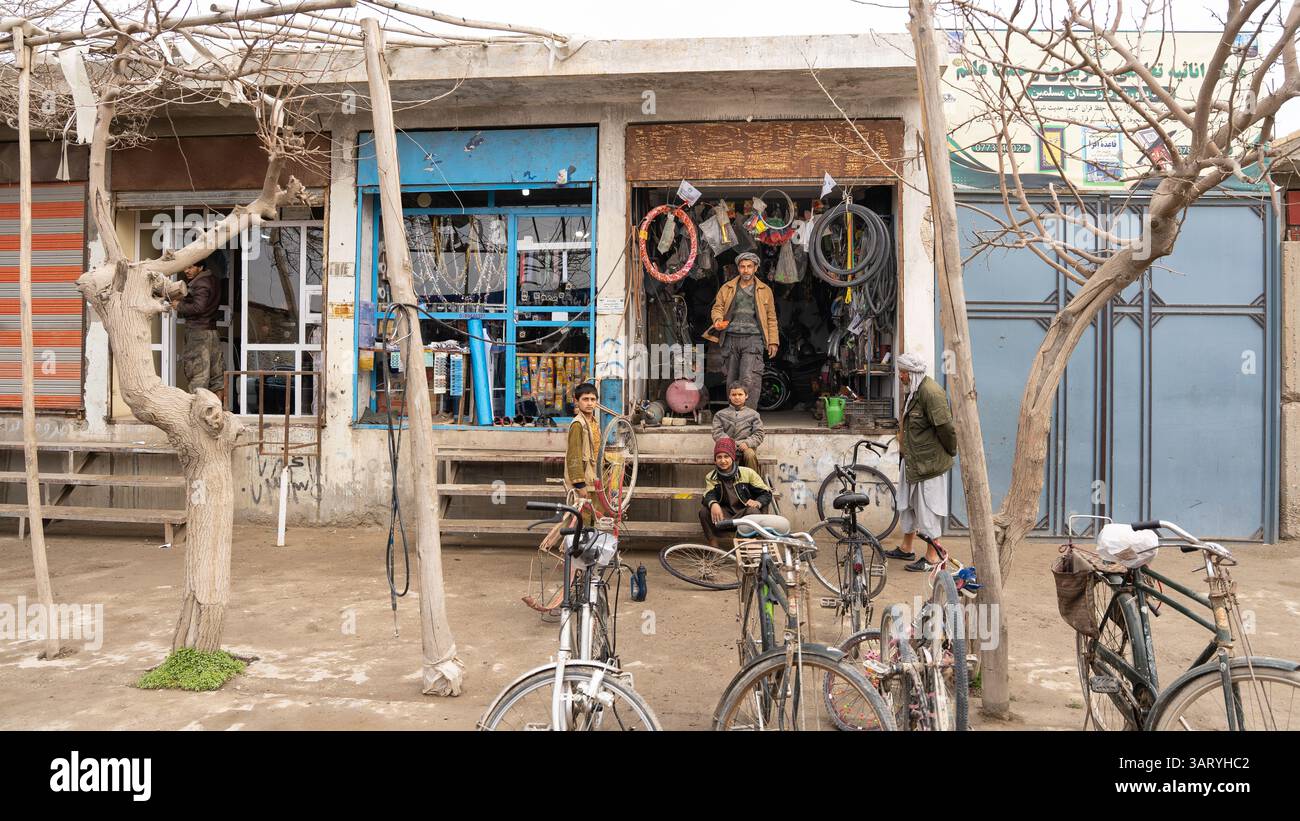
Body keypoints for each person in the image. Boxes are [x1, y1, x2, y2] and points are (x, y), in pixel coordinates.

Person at [883, 352, 958, 572]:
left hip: (929, 464)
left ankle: (933, 556)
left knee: (927, 510)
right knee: (908, 505)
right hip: (913, 462)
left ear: (910, 373)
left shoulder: (931, 393)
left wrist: (949, 451)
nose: (900, 377)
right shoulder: (914, 391)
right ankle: (907, 547)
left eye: (902, 373)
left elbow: (945, 428)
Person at [710, 251, 778, 410]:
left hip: (753, 339)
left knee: (749, 378)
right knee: (731, 379)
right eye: (742, 267)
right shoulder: (727, 288)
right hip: (731, 339)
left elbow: (771, 317)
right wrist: (718, 320)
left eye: (749, 267)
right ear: (738, 268)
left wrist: (773, 341)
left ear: (755, 268)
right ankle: (733, 415)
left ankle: (749, 416)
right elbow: (717, 307)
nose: (745, 270)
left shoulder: (764, 290)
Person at [700, 437, 773, 548]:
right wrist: (713, 504)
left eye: (726, 456)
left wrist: (758, 502)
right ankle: (714, 546)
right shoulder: (711, 476)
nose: (723, 461)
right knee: (704, 512)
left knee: (753, 511)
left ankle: (751, 547)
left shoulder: (748, 473)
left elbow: (766, 493)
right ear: (715, 460)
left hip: (744, 513)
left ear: (733, 457)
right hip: (725, 514)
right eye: (719, 457)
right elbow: (708, 494)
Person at [172, 254, 225, 405]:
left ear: (200, 267)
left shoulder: (200, 283)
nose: (186, 270)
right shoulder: (213, 280)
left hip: (198, 333)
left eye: (191, 267)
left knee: (198, 374)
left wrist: (179, 306)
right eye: (185, 267)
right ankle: (219, 411)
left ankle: (197, 415)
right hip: (211, 331)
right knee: (217, 376)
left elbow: (198, 307)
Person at [564, 382, 602, 522]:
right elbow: (574, 456)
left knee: (593, 519)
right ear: (576, 401)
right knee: (581, 521)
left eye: (593, 399)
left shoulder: (594, 422)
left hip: (594, 479)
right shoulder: (578, 424)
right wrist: (580, 486)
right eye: (585, 399)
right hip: (583, 482)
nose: (589, 403)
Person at [711, 383, 764, 471]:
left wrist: (747, 443)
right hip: (726, 446)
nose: (737, 397)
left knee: (750, 454)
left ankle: (752, 482)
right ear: (729, 396)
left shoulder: (753, 414)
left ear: (746, 396)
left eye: (740, 394)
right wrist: (730, 444)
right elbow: (717, 432)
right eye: (734, 394)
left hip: (747, 447)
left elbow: (759, 433)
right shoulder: (720, 414)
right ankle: (726, 482)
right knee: (723, 457)